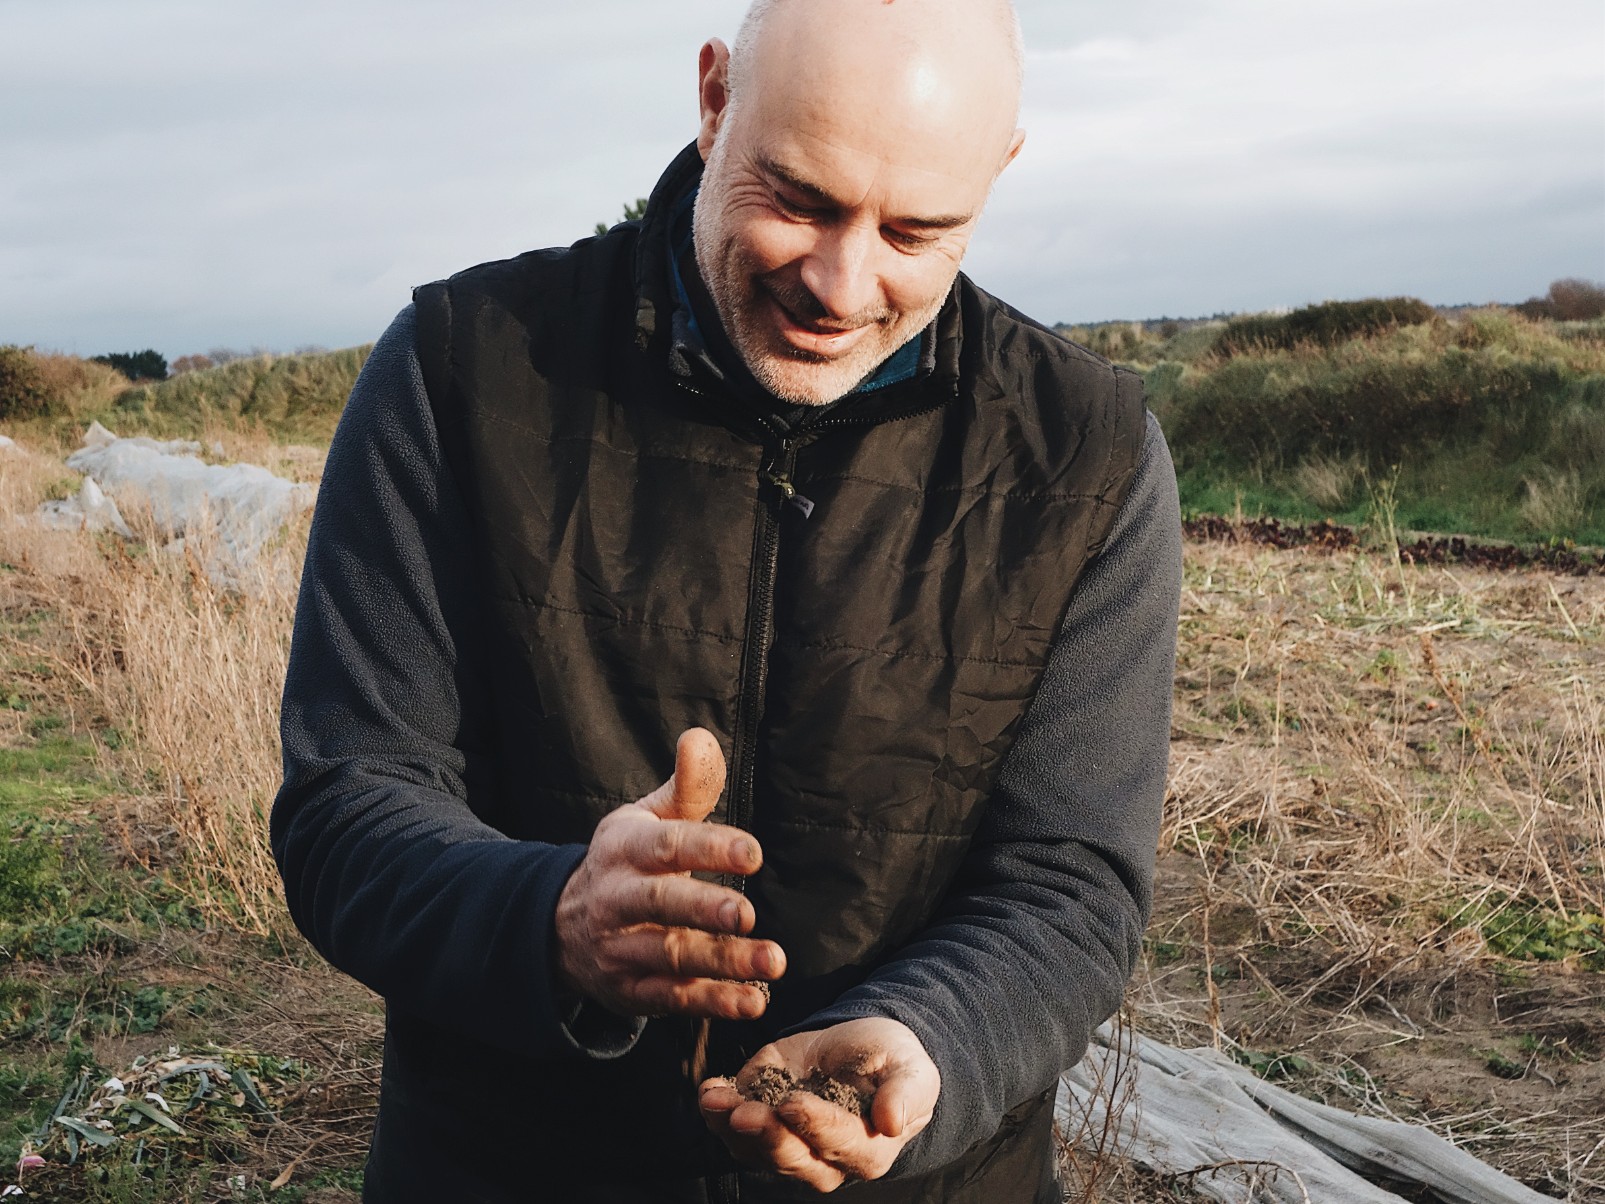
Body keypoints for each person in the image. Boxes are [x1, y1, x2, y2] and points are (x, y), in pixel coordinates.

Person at [271, 0, 1181, 1200]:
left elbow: (1072, 883)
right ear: (713, 100)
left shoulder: (1089, 457)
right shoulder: (456, 371)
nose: (841, 283)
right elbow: (348, 805)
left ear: (999, 172)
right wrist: (553, 919)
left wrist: (932, 1041)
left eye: (917, 230)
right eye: (798, 198)